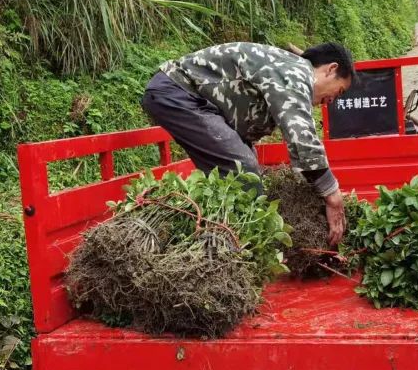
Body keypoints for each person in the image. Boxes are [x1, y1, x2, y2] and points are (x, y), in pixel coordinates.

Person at [141, 41, 354, 246]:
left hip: (194, 101)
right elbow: (300, 134)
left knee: (243, 170)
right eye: (340, 90)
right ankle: (241, 252)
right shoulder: (296, 71)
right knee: (242, 168)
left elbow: (295, 140)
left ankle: (215, 238)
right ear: (330, 69)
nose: (333, 100)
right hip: (178, 93)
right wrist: (331, 194)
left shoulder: (289, 70)